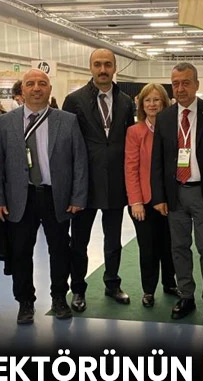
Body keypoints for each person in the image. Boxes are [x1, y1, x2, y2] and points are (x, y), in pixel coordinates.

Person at [0, 68, 88, 324]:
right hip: (20, 197)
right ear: (22, 90)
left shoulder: (67, 120)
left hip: (56, 196)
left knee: (60, 250)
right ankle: (25, 302)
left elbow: (79, 161)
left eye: (42, 83)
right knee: (21, 252)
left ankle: (59, 298)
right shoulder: (6, 122)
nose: (36, 88)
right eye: (30, 83)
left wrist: (78, 197)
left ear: (49, 89)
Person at [63, 48, 135, 311]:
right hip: (84, 183)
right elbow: (67, 146)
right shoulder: (74, 101)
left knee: (113, 240)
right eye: (97, 64)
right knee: (79, 241)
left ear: (114, 67)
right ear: (90, 67)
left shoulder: (126, 101)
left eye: (107, 64)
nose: (103, 69)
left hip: (115, 182)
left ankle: (112, 284)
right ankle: (78, 289)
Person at [151, 62, 203, 324]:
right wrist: (159, 196)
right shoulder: (165, 117)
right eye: (175, 84)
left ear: (196, 84)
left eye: (185, 83)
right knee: (179, 248)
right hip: (175, 194)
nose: (180, 88)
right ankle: (187, 296)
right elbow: (157, 160)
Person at [125, 83, 180, 307]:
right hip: (144, 202)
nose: (152, 104)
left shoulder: (175, 129)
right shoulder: (134, 132)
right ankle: (148, 290)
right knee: (148, 248)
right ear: (141, 104)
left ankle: (170, 283)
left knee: (170, 245)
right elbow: (131, 169)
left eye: (157, 99)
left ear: (165, 103)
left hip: (170, 200)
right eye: (147, 100)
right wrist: (136, 201)